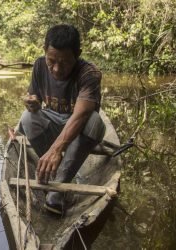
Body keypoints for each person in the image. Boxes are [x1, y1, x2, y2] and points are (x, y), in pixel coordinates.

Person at [18, 24, 106, 215]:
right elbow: (35, 99)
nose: (57, 69)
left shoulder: (89, 73)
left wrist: (57, 149)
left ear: (78, 54)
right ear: (45, 52)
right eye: (52, 61)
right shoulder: (40, 65)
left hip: (77, 127)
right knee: (27, 118)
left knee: (94, 123)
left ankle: (59, 182)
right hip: (53, 122)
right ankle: (53, 171)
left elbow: (81, 115)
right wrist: (31, 103)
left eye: (65, 62)